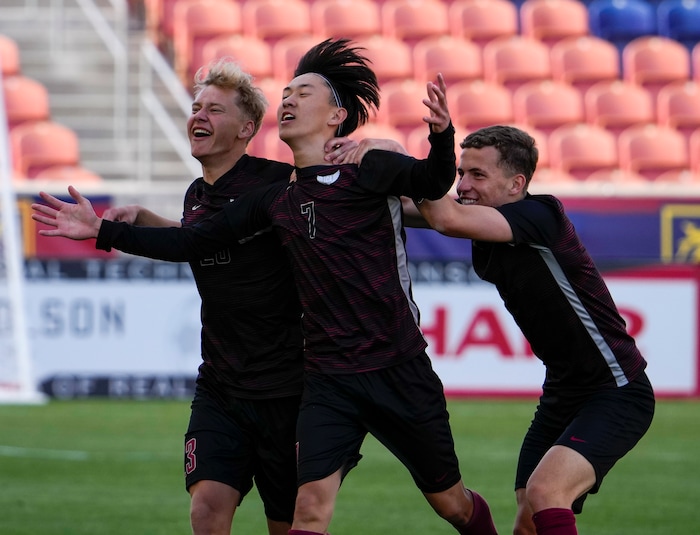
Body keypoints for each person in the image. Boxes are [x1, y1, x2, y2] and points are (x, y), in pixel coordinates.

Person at [32, 38, 499, 535]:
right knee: (279, 510)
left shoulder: (348, 172)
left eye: (303, 93)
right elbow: (197, 239)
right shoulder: (272, 198)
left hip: (364, 370)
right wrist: (108, 230)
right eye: (287, 94)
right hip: (306, 380)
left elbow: (424, 190)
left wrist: (428, 142)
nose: (289, 100)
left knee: (452, 506)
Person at [90, 57, 360, 535]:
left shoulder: (280, 185)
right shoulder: (197, 193)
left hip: (288, 390)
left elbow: (204, 240)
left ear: (246, 128)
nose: (199, 116)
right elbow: (205, 237)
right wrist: (151, 220)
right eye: (197, 107)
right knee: (207, 509)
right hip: (221, 386)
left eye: (215, 110)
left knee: (286, 524)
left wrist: (104, 231)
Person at [405, 125, 655, 535]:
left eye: (477, 175)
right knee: (528, 518)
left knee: (545, 492)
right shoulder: (482, 217)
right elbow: (409, 208)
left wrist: (391, 156)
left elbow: (443, 216)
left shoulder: (540, 217)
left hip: (616, 389)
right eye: (460, 173)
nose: (463, 184)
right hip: (563, 391)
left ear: (516, 183)